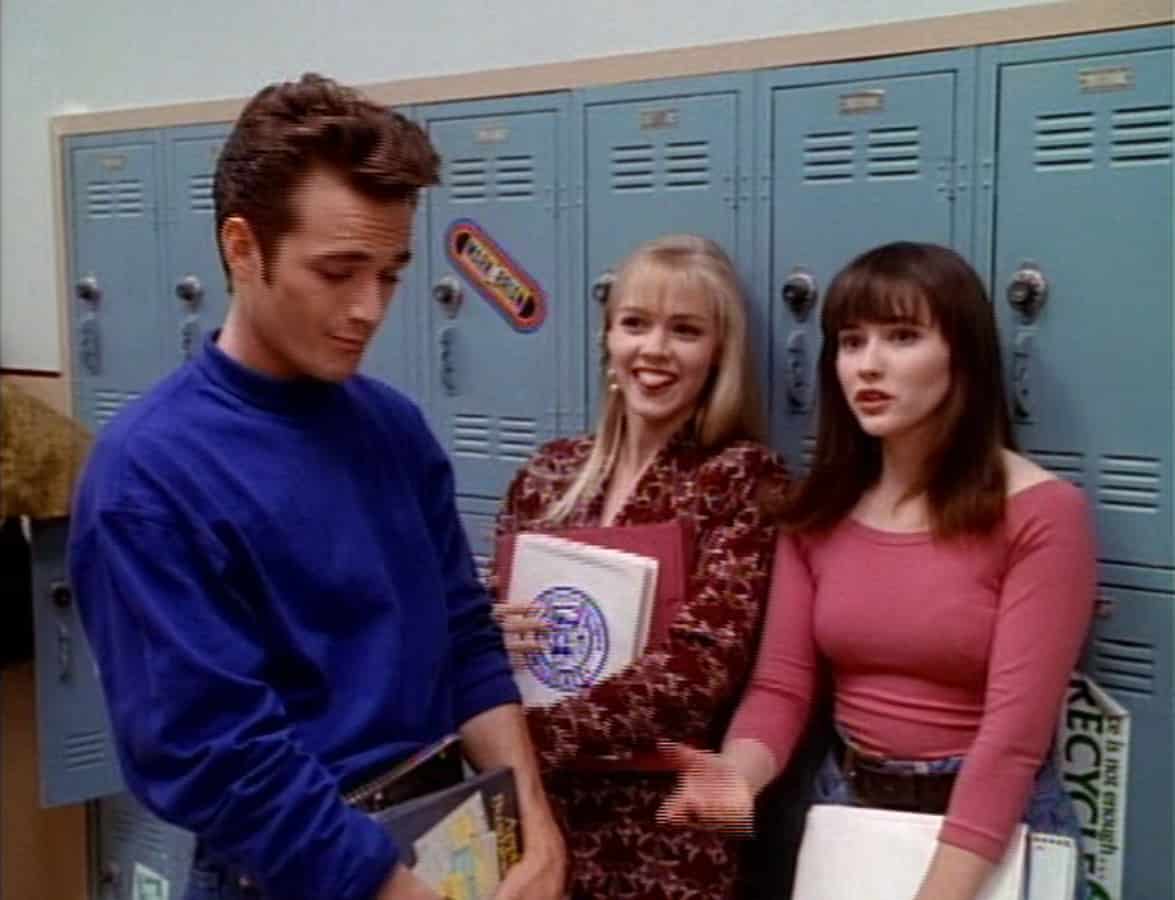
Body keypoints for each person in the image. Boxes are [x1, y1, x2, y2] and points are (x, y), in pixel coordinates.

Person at [67, 73, 565, 900]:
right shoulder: (148, 477)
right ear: (242, 247)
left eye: (391, 274)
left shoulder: (394, 430)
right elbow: (218, 755)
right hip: (297, 873)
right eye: (338, 272)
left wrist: (536, 829)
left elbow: (465, 637)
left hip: (450, 842)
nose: (369, 308)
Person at [661, 241, 1096, 900]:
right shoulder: (817, 513)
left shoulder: (1041, 514)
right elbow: (782, 686)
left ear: (962, 355)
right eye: (850, 341)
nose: (868, 365)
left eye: (901, 337)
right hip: (851, 812)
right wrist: (738, 775)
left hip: (991, 832)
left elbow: (1011, 743)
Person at [489, 234, 789, 900]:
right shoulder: (547, 472)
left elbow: (698, 669)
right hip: (534, 814)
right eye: (635, 324)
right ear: (607, 339)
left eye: (684, 331)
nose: (653, 350)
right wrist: (489, 631)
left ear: (718, 353)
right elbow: (480, 626)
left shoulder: (739, 480)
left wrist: (516, 742)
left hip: (660, 825)